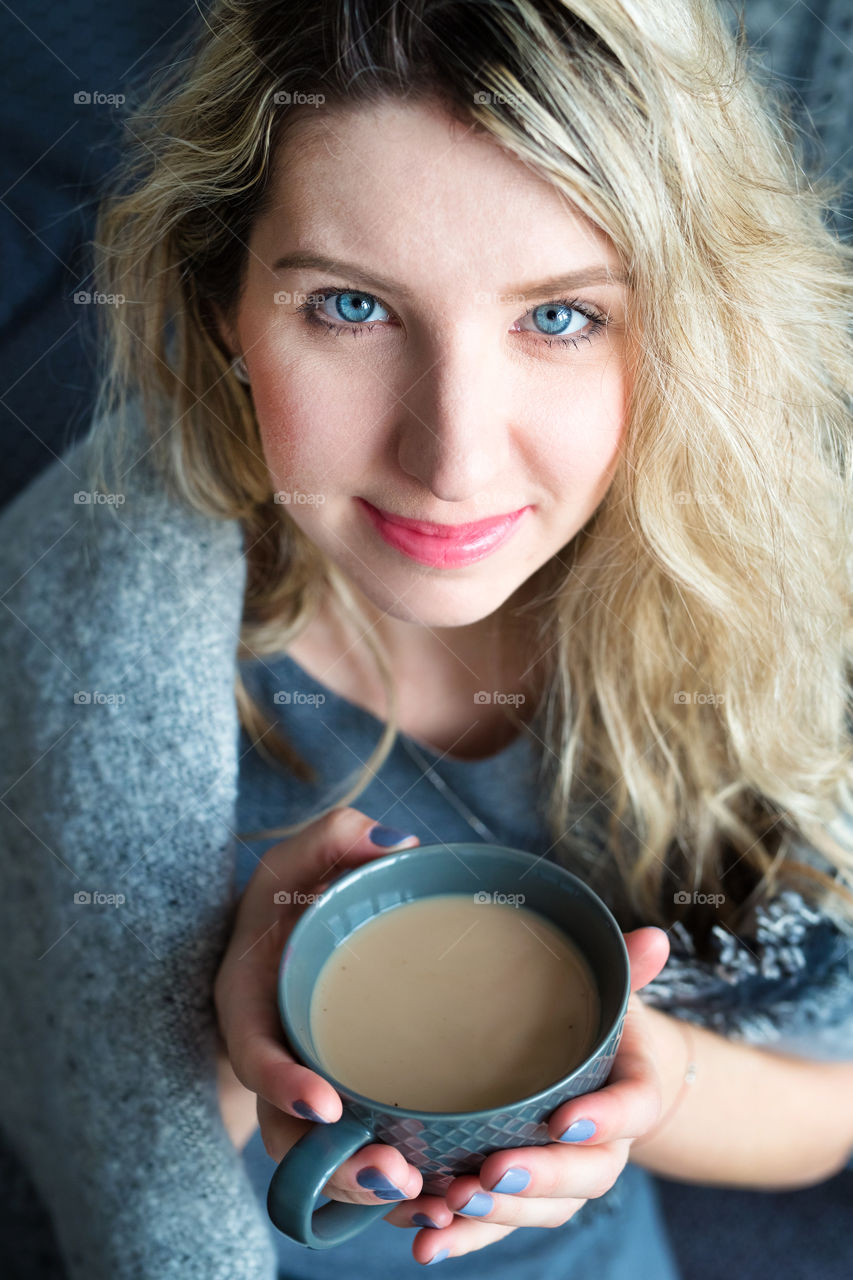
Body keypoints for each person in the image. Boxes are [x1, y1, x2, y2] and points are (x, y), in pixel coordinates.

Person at [2, 1, 853, 1277]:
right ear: (224, 301)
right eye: (350, 306)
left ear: (684, 319)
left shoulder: (781, 598)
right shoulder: (83, 635)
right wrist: (199, 1021)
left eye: (559, 317)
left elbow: (820, 1109)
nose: (449, 457)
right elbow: (106, 1159)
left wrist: (649, 1078)